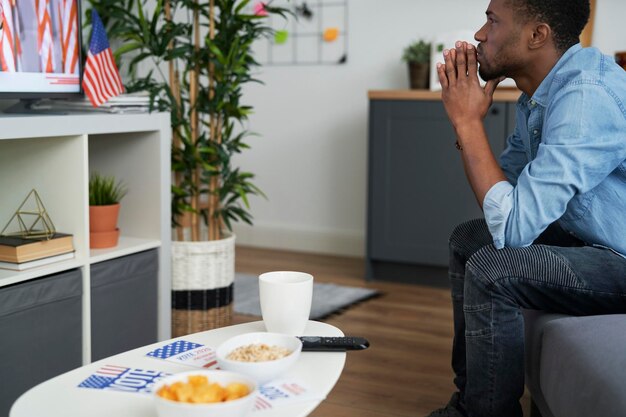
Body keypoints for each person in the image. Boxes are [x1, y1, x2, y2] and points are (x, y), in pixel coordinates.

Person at [427, 0, 626, 416]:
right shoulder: (540, 95)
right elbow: (507, 204)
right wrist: (468, 123)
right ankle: (470, 403)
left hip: (619, 258)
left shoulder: (585, 96)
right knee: (468, 240)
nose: (480, 35)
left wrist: (467, 123)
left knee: (492, 271)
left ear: (538, 35)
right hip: (587, 241)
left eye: (492, 21)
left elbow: (514, 227)